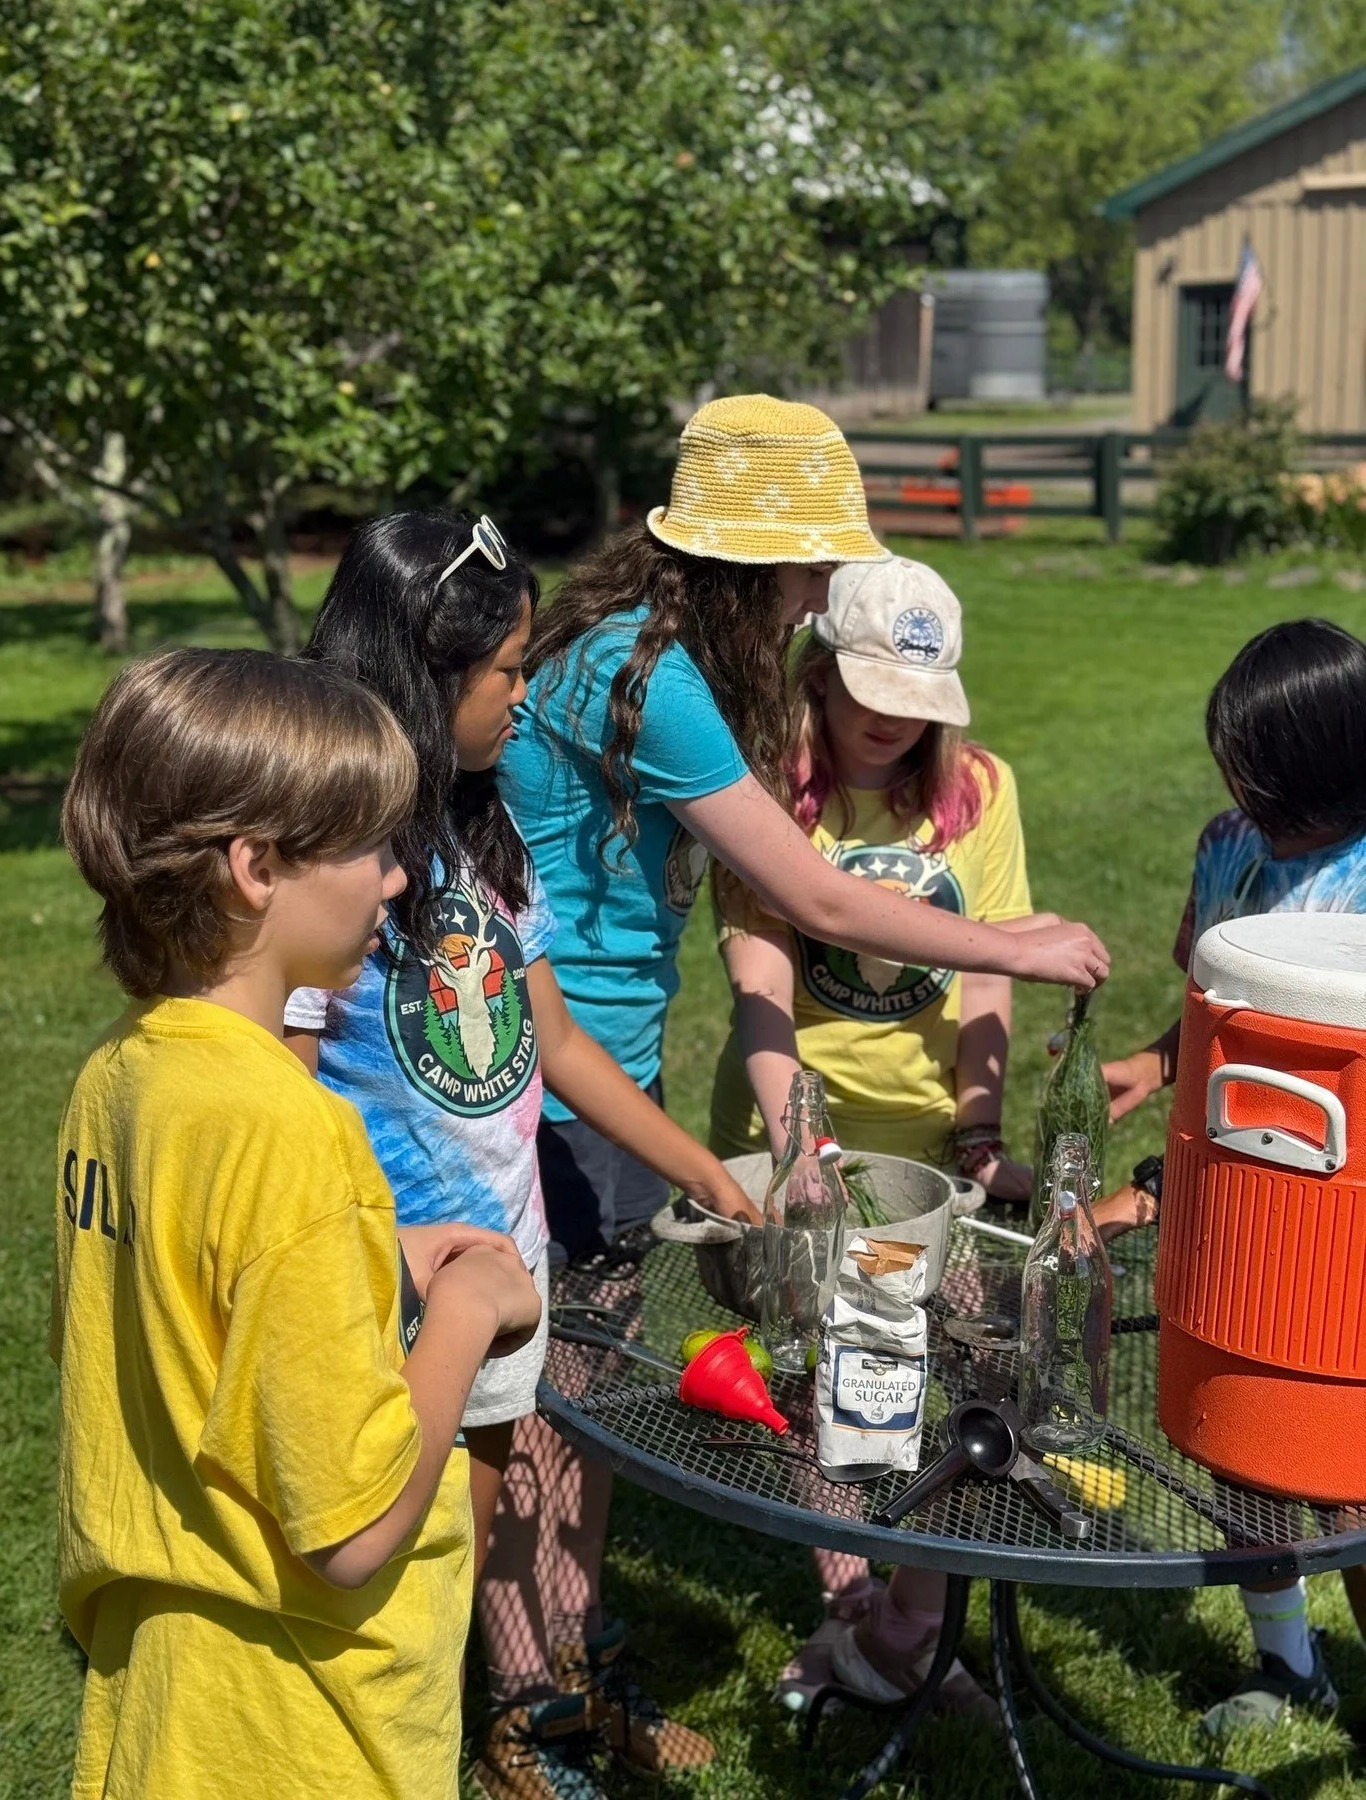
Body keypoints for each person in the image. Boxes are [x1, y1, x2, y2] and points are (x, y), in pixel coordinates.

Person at [499, 396, 1109, 1766]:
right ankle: (536, 1715)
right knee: (555, 1410)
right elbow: (812, 901)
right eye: (811, 568)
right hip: (550, 1080)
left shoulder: (635, 655)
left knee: (576, 1398)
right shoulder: (656, 682)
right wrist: (1006, 939)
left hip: (587, 1062)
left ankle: (573, 1685)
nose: (822, 591)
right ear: (750, 564)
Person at [282, 512, 752, 1800]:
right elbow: (288, 1092)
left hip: (502, 1283)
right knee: (388, 1591)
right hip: (393, 1292)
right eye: (508, 672)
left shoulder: (481, 839)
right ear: (428, 679)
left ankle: (494, 1733)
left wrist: (705, 1170)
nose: (530, 694)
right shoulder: (335, 869)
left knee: (465, 1561)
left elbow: (553, 1040)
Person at [53, 648, 541, 1800]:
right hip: (303, 1731)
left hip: (165, 1701)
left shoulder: (123, 1078)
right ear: (256, 866)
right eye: (370, 847)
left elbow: (203, 1299)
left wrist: (377, 1257)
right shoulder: (293, 1134)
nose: (391, 880)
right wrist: (466, 1313)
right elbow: (353, 1527)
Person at [709, 554, 1033, 1717]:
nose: (893, 722)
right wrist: (802, 1144)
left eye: (917, 702)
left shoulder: (978, 792)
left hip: (933, 1143)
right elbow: (759, 982)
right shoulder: (763, 789)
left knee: (937, 1377)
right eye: (869, 694)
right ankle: (865, 1622)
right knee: (830, 1382)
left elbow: (993, 973)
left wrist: (982, 1126)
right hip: (804, 1123)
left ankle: (895, 1633)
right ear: (818, 672)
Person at [1097, 617, 1366, 1735]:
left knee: (1349, 1466)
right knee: (1236, 1431)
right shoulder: (1227, 847)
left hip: (1338, 1214)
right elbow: (1216, 999)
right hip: (1226, 1188)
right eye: (1237, 779)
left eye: (1273, 789)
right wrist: (1154, 1064)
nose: (1250, 805)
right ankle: (1288, 1663)